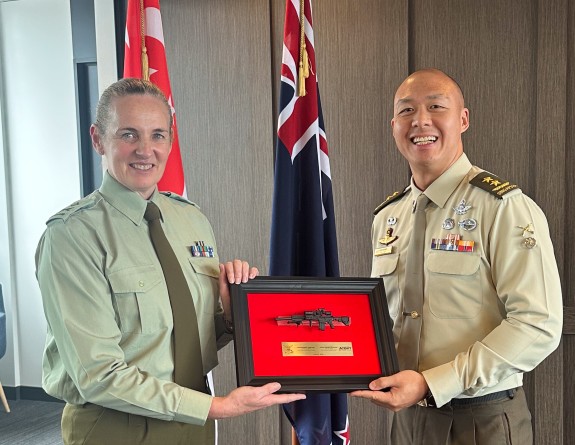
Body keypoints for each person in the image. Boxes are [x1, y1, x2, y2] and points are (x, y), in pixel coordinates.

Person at [35, 78, 305, 445]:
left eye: (158, 135)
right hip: (116, 426)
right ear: (98, 139)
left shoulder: (190, 220)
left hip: (194, 423)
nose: (145, 150)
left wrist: (230, 314)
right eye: (129, 134)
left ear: (170, 141)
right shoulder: (72, 236)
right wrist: (218, 407)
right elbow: (98, 375)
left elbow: (185, 336)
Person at [351, 68, 562, 444]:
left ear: (462, 119)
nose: (420, 121)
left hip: (482, 420)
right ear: (393, 125)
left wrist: (435, 383)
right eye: (406, 111)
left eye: (436, 106)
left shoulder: (503, 207)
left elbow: (537, 324)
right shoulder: (388, 217)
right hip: (407, 420)